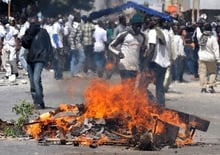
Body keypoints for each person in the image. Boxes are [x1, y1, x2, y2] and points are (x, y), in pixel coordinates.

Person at [22, 17, 53, 109]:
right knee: (32, 82)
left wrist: (50, 59)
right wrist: (28, 35)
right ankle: (36, 101)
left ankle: (40, 101)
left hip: (40, 59)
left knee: (36, 79)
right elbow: (25, 44)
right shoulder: (29, 33)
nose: (33, 26)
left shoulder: (43, 32)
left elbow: (48, 45)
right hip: (30, 59)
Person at [109, 13, 145, 87]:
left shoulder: (142, 37)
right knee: (126, 88)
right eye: (137, 25)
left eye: (140, 26)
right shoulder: (124, 35)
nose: (138, 28)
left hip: (135, 67)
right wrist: (118, 53)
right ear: (132, 25)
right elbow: (111, 46)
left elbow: (140, 53)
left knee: (131, 88)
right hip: (125, 66)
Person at [197, 23, 219, 93]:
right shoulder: (212, 38)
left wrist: (198, 26)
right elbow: (216, 49)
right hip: (211, 58)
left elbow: (197, 31)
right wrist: (218, 59)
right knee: (212, 72)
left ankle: (203, 88)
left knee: (202, 73)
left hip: (202, 58)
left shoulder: (200, 36)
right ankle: (211, 86)